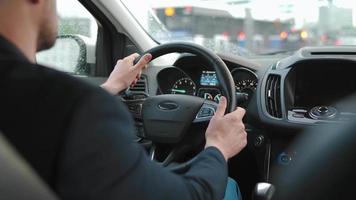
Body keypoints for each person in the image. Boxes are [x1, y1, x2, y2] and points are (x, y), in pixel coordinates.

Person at [0, 0, 247, 200]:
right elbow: (193, 194)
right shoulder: (80, 107)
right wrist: (217, 146)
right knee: (227, 186)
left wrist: (110, 87)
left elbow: (45, 122)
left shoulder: (46, 104)